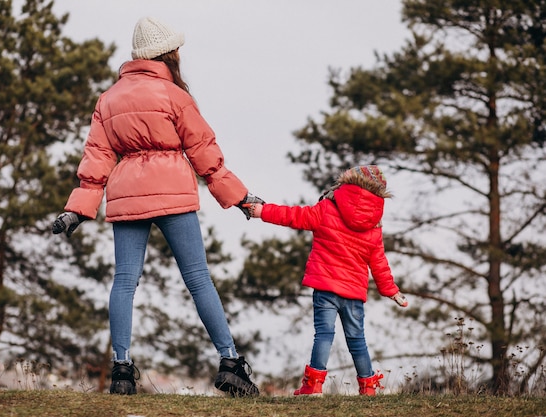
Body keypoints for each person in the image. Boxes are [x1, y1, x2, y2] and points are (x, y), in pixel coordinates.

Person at [52, 16, 263, 397]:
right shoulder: (175, 95)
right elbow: (205, 154)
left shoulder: (109, 98)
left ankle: (120, 370)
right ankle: (230, 363)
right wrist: (240, 198)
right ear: (168, 54)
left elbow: (97, 158)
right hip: (172, 191)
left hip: (126, 193)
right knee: (198, 279)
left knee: (124, 282)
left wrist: (78, 208)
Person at [243, 165, 408, 396]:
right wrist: (391, 290)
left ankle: (314, 385)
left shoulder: (327, 208)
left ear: (348, 183)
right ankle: (368, 387)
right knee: (357, 339)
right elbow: (379, 262)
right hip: (353, 293)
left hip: (326, 287)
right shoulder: (374, 225)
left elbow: (293, 216)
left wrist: (262, 211)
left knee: (323, 334)